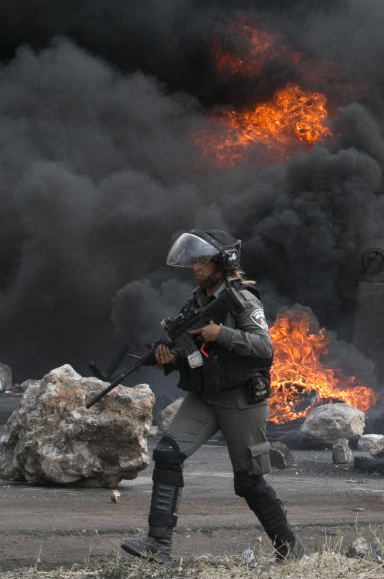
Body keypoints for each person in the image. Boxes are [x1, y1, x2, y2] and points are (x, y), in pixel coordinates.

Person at [121, 230, 302, 563]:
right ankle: (158, 544)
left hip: (240, 400)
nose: (196, 268)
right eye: (193, 261)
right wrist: (171, 359)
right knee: (167, 453)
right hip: (205, 396)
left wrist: (222, 333)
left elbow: (264, 348)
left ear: (223, 262)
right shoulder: (197, 302)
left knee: (248, 482)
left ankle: (290, 550)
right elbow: (196, 354)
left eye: (203, 261)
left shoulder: (242, 299)